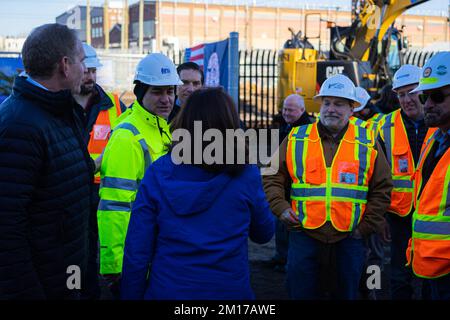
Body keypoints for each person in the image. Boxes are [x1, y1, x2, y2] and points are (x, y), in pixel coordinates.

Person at [120, 87, 274, 300]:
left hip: (169, 290)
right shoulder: (246, 174)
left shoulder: (158, 172)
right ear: (231, 125)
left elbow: (137, 250)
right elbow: (263, 233)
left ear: (185, 122)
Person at [263, 74, 392, 300]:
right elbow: (272, 174)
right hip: (304, 233)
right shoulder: (297, 137)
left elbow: (382, 187)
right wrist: (280, 207)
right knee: (300, 292)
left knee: (349, 293)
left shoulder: (368, 138)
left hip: (350, 237)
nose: (331, 109)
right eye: (327, 103)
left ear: (352, 108)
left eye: (339, 104)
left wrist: (365, 227)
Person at [0, 23, 91, 299]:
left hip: (67, 274)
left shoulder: (61, 110)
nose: (85, 70)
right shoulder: (20, 125)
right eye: (82, 61)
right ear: (65, 65)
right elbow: (7, 231)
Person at [97, 53, 182, 298]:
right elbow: (114, 206)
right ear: (140, 92)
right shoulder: (127, 136)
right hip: (137, 257)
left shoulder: (161, 127)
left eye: (170, 91)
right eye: (157, 92)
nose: (166, 99)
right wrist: (115, 267)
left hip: (157, 250)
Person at [72, 43, 127, 300]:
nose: (90, 76)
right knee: (78, 251)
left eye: (93, 71)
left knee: (110, 246)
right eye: (85, 71)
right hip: (73, 190)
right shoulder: (60, 105)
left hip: (106, 189)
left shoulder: (114, 104)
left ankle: (116, 287)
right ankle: (83, 291)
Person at [378, 64, 432, 300]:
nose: (407, 99)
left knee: (434, 274)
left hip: (435, 215)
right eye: (401, 94)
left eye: (412, 92)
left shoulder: (442, 121)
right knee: (399, 274)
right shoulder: (383, 126)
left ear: (424, 91)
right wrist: (380, 217)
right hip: (399, 216)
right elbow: (376, 178)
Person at [406, 51, 450, 300]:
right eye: (425, 96)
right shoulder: (434, 138)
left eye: (436, 96)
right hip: (428, 265)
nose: (427, 104)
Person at [271, 93, 315, 272]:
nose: (286, 113)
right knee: (281, 223)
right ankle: (281, 257)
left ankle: (288, 260)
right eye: (284, 109)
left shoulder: (307, 129)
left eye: (290, 110)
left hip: (297, 186)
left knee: (292, 226)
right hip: (285, 183)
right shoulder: (287, 125)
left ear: (302, 110)